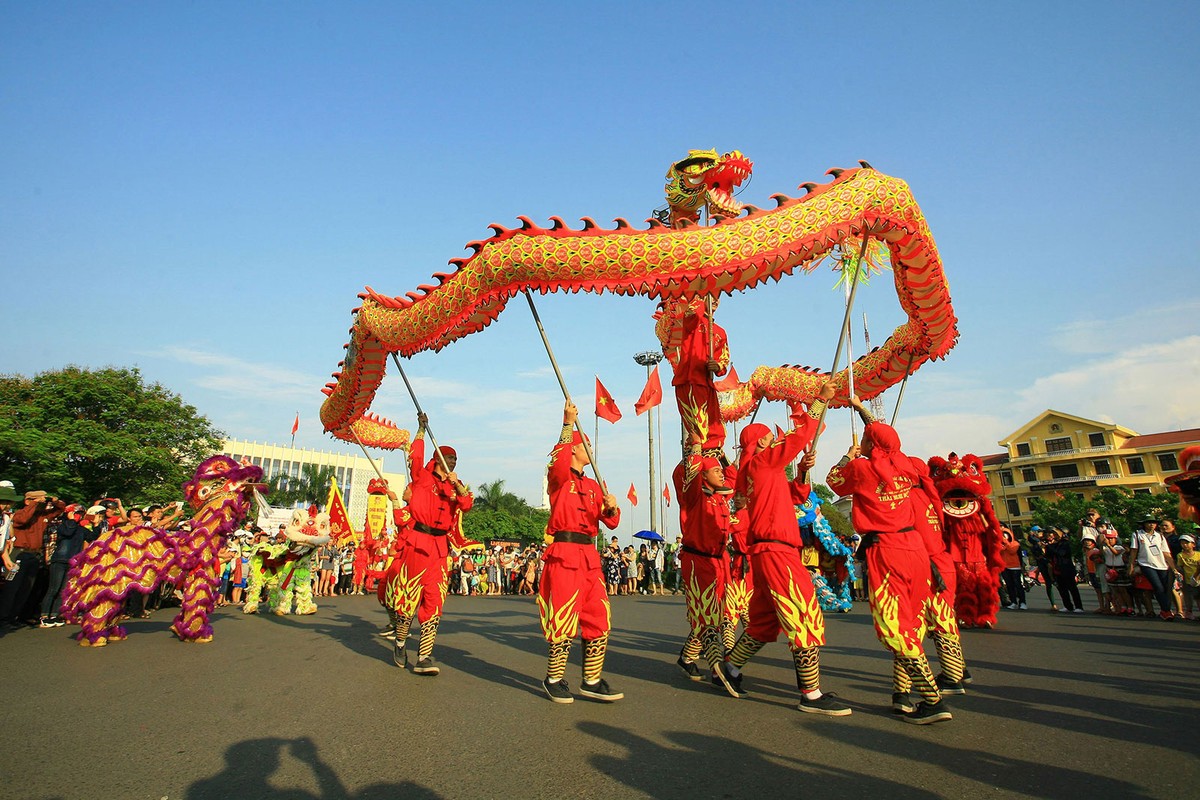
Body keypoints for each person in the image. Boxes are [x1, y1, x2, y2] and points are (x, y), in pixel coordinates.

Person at [725, 381, 851, 717]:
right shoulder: (763, 463)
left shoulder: (753, 471)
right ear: (763, 441)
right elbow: (798, 438)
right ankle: (810, 693)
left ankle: (730, 669)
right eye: (770, 436)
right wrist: (820, 402)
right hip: (778, 551)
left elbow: (793, 497)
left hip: (767, 552)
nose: (774, 439)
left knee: (764, 621)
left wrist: (803, 472)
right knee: (804, 614)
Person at [827, 395, 952, 725]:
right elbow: (886, 438)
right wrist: (860, 408)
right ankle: (902, 693)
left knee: (894, 625)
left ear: (871, 443)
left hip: (887, 551)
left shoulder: (862, 468)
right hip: (916, 549)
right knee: (911, 621)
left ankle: (932, 699)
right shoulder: (907, 465)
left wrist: (847, 455)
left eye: (867, 437)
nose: (864, 438)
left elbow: (833, 480)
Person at [539, 400, 622, 704]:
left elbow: (610, 521)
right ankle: (554, 678)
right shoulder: (559, 478)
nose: (590, 448)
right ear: (573, 449)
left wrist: (613, 507)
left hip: (589, 557)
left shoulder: (594, 484)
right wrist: (567, 425)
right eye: (584, 444)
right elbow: (558, 463)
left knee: (599, 616)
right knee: (563, 616)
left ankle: (591, 680)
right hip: (564, 553)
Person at [384, 412, 473, 674]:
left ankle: (424, 657)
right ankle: (400, 640)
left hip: (440, 548)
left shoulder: (453, 488)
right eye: (449, 458)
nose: (453, 462)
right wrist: (421, 430)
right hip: (418, 542)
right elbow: (415, 457)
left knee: (434, 599)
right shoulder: (422, 477)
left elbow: (466, 505)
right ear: (438, 459)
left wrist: (457, 487)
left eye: (456, 459)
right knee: (409, 595)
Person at [671, 433, 740, 695]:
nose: (721, 475)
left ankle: (688, 658)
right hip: (698, 561)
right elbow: (687, 475)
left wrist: (721, 455)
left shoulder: (720, 496)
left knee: (725, 615)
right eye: (715, 471)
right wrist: (696, 448)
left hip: (721, 562)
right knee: (708, 617)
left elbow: (733, 479)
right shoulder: (694, 494)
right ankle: (719, 668)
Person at [669, 297, 731, 453]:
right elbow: (692, 311)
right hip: (690, 380)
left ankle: (713, 463)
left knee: (716, 430)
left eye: (717, 296)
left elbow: (724, 360)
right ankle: (699, 466)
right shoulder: (692, 320)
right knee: (700, 432)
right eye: (710, 296)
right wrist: (702, 294)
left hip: (707, 383)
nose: (715, 300)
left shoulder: (720, 332)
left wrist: (717, 366)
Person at [0, 490, 65, 629]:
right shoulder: (20, 513)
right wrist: (34, 505)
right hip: (19, 554)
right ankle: (4, 618)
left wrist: (54, 500)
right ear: (28, 501)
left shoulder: (42, 516)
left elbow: (60, 509)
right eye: (38, 499)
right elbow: (22, 520)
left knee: (26, 588)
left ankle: (15, 616)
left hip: (35, 555)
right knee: (12, 587)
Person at [1129, 517, 1179, 620]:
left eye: (1154, 523)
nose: (1151, 524)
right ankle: (1167, 611)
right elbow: (1134, 550)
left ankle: (1165, 610)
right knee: (1158, 587)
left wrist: (1174, 568)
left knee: (1166, 588)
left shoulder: (1160, 536)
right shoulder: (1137, 534)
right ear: (1144, 524)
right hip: (1146, 563)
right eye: (1149, 522)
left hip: (1162, 565)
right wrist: (1131, 565)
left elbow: (1166, 553)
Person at [1024, 526, 1057, 610]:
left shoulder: (1051, 541)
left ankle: (1067, 604)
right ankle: (1053, 604)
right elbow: (1032, 540)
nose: (1041, 534)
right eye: (1039, 532)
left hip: (1054, 563)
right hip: (1043, 563)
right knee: (1048, 584)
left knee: (1060, 585)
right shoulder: (1037, 542)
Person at [1000, 528, 1027, 610]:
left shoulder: (1015, 543)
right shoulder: (1001, 544)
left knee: (1018, 585)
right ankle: (1013, 602)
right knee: (1009, 585)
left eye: (1005, 534)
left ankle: (1022, 602)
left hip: (1014, 567)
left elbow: (1012, 550)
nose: (1004, 536)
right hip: (1004, 567)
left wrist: (1005, 542)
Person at [1174, 534, 1199, 620]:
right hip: (1188, 579)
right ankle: (1189, 611)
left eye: (1187, 543)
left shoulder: (1198, 555)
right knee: (1189, 596)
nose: (1184, 545)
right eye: (1182, 543)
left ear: (1193, 544)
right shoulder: (1180, 555)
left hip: (1198, 578)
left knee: (1198, 597)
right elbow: (1180, 567)